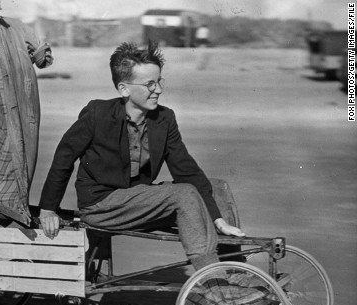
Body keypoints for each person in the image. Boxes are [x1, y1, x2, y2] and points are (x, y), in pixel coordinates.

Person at [38, 42, 244, 272]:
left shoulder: (164, 118)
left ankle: (237, 277)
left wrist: (217, 219)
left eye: (159, 81)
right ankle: (214, 286)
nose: (158, 89)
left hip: (139, 201)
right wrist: (48, 209)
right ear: (124, 89)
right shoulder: (97, 114)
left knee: (215, 188)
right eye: (149, 84)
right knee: (183, 194)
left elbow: (186, 169)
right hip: (102, 205)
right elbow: (63, 159)